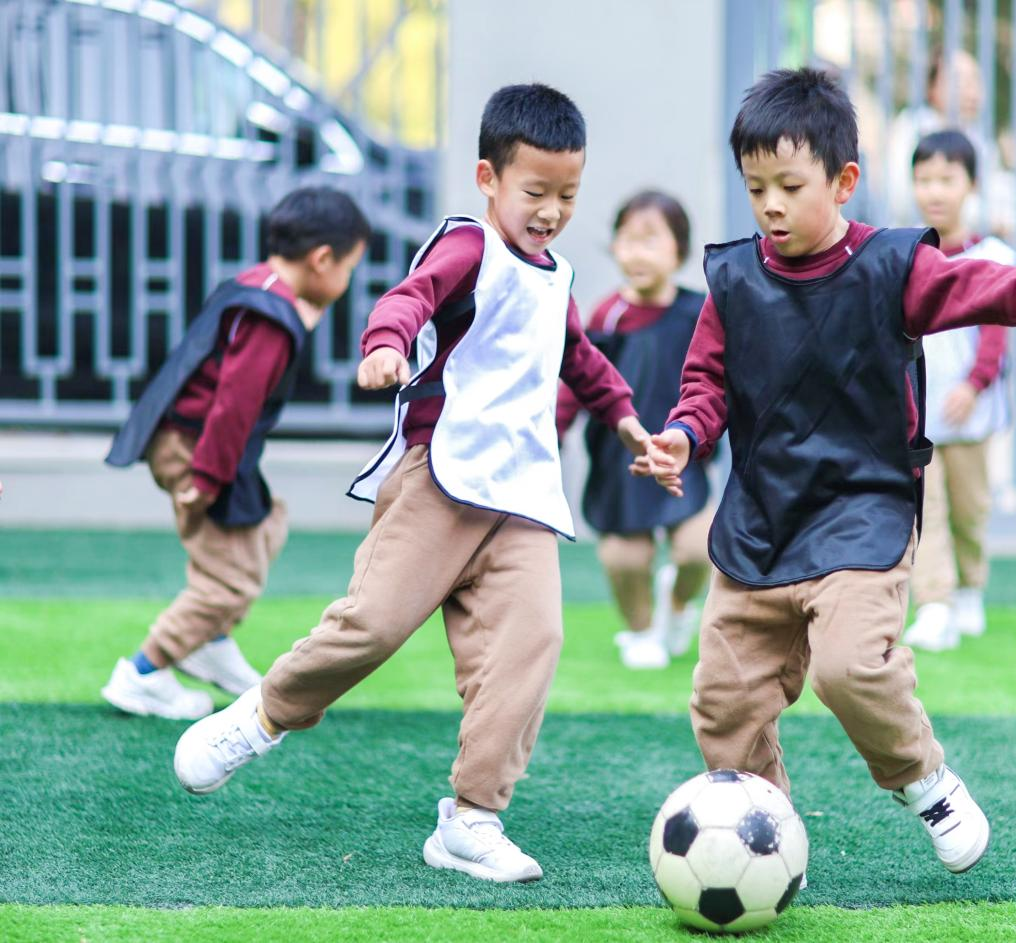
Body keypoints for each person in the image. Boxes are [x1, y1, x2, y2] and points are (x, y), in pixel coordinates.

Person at [171, 83, 651, 884]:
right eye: (535, 191)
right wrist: (385, 345)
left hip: (523, 500)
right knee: (371, 624)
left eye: (567, 195)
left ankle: (471, 817)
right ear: (488, 178)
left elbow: (579, 357)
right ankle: (261, 714)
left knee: (530, 646)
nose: (550, 211)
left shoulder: (557, 275)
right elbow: (409, 298)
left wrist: (628, 419)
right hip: (443, 480)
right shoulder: (467, 246)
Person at [646, 68, 1016, 876]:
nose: (770, 205)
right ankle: (761, 834)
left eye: (790, 185)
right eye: (755, 187)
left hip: (861, 511)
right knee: (722, 699)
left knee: (850, 665)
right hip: (760, 520)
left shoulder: (892, 265)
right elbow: (705, 382)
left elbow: (974, 285)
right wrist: (686, 434)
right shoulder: (734, 281)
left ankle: (924, 779)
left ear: (843, 180)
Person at [100, 187, 369, 720]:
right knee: (227, 581)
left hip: (200, 443)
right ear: (322, 259)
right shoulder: (271, 316)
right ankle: (143, 673)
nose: (346, 282)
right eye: (349, 268)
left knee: (265, 525)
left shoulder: (255, 286)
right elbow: (233, 404)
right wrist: (206, 478)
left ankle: (211, 642)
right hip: (199, 447)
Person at [557, 190, 712, 670]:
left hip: (681, 457)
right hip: (620, 462)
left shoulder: (700, 313)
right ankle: (642, 631)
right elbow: (577, 378)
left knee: (698, 549)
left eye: (650, 240)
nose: (636, 253)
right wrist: (554, 430)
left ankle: (678, 605)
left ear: (679, 250)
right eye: (627, 241)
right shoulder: (607, 317)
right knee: (625, 559)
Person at [903, 130, 1016, 652]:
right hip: (920, 417)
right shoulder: (905, 255)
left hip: (970, 417)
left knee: (970, 511)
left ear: (971, 185)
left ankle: (971, 589)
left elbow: (995, 334)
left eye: (947, 179)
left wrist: (974, 385)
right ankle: (934, 604)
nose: (935, 192)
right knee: (925, 511)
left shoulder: (992, 256)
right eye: (924, 179)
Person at [885, 49, 1016, 240]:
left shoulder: (980, 139)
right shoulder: (910, 129)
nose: (972, 92)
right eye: (960, 82)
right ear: (932, 88)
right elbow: (901, 201)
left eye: (975, 81)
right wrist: (985, 216)